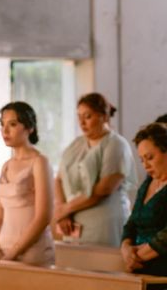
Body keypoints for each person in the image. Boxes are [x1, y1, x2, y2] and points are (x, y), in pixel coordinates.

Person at [54, 92, 136, 246]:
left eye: (88, 116)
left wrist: (66, 208)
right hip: (71, 225)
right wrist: (61, 211)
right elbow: (59, 179)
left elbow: (103, 189)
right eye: (79, 117)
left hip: (104, 225)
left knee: (102, 266)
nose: (82, 122)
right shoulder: (76, 144)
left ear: (104, 117)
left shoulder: (116, 144)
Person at [0, 102, 54, 266]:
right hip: (3, 253)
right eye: (2, 125)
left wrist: (14, 251)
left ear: (29, 127)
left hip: (32, 253)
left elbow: (43, 216)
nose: (5, 130)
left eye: (12, 124)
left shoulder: (40, 162)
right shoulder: (6, 166)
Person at [121, 122, 167, 276]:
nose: (145, 165)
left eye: (150, 157)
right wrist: (125, 248)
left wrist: (135, 257)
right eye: (141, 160)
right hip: (140, 269)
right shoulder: (147, 182)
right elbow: (132, 223)